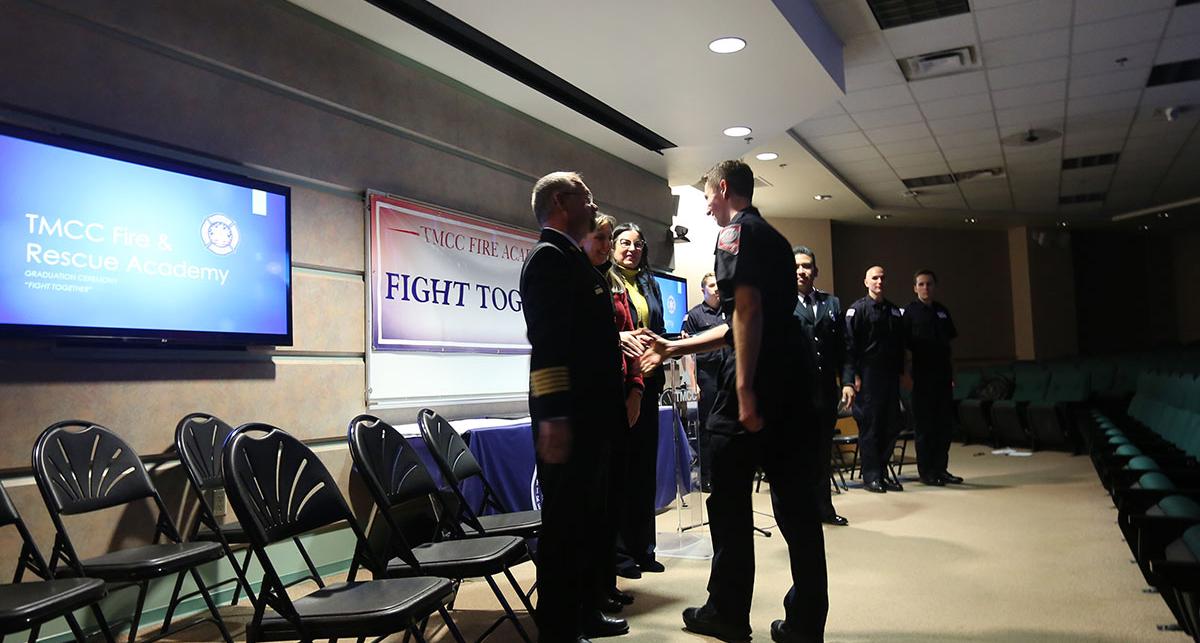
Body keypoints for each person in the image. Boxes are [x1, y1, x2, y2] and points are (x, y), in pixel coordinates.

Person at [644, 160, 827, 643]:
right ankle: (806, 624)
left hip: (753, 391)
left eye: (707, 196)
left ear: (723, 189)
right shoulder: (775, 238)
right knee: (797, 511)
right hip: (791, 385)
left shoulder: (733, 236)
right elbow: (747, 321)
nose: (706, 206)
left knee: (727, 505)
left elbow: (744, 312)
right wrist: (676, 346)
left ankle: (726, 612)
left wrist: (744, 393)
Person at [520, 172, 629, 642]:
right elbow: (548, 347)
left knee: (586, 521)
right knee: (565, 527)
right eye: (587, 196)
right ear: (562, 202)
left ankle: (582, 612)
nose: (594, 203)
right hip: (569, 418)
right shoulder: (549, 259)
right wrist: (555, 416)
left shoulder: (572, 259)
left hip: (589, 416)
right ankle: (560, 628)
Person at [581, 213, 644, 612]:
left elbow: (634, 341)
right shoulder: (579, 280)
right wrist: (613, 339)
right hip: (592, 402)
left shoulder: (617, 285)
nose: (605, 245)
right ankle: (592, 592)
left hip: (621, 396)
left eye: (608, 238)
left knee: (613, 500)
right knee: (594, 504)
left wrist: (636, 390)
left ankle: (606, 584)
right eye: (600, 238)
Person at [610, 221, 667, 578]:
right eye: (624, 243)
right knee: (621, 472)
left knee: (645, 471)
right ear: (613, 247)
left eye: (637, 244)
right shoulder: (606, 280)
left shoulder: (650, 283)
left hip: (650, 383)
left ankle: (645, 549)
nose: (631, 249)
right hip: (619, 386)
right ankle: (621, 555)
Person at [793, 246, 853, 526]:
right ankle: (802, 513)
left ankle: (824, 510)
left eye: (806, 266)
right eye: (796, 266)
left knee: (822, 452)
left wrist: (848, 381)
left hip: (826, 391)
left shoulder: (832, 304)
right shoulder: (782, 303)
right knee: (800, 454)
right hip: (796, 394)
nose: (801, 271)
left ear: (815, 271)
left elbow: (844, 348)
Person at [844, 266, 906, 494]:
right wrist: (853, 377)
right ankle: (871, 476)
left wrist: (903, 373)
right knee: (870, 427)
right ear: (866, 282)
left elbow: (900, 346)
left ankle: (882, 471)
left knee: (891, 424)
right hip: (867, 376)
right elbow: (849, 347)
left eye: (882, 278)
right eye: (875, 278)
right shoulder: (857, 310)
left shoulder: (893, 310)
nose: (879, 281)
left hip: (890, 377)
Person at [903, 269, 962, 486]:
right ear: (915, 288)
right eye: (921, 284)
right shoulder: (909, 313)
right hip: (921, 378)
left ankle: (941, 469)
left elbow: (950, 346)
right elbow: (904, 348)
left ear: (934, 287)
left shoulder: (942, 312)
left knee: (943, 426)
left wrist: (953, 374)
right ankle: (927, 472)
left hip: (942, 377)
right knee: (925, 427)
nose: (925, 288)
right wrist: (906, 375)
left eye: (929, 284)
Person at [682, 272, 728, 491]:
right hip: (706, 377)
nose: (716, 289)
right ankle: (707, 475)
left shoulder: (729, 311)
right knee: (707, 428)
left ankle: (725, 473)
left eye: (718, 285)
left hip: (727, 374)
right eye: (711, 285)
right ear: (703, 290)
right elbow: (687, 353)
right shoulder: (694, 315)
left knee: (727, 426)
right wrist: (692, 382)